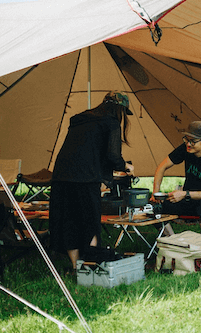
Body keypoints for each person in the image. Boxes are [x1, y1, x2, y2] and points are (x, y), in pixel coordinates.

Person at [49, 91, 135, 270]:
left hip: (61, 175)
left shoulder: (79, 119)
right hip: (85, 179)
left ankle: (75, 266)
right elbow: (112, 156)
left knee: (69, 220)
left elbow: (86, 150)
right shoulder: (111, 123)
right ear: (119, 110)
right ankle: (92, 264)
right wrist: (126, 166)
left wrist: (103, 177)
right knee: (91, 221)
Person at [153, 121, 201, 237]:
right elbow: (162, 167)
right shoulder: (185, 148)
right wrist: (156, 193)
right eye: (186, 139)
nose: (188, 144)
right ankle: (173, 241)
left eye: (193, 141)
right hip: (188, 201)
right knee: (155, 207)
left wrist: (184, 194)